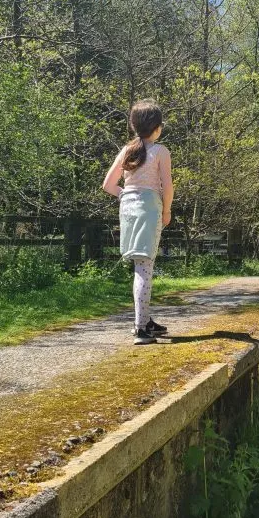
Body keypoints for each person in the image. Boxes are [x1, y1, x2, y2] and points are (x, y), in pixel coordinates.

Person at [102, 101, 175, 345]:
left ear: (134, 126)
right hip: (149, 208)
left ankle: (145, 320)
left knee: (138, 265)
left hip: (128, 209)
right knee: (145, 267)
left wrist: (125, 194)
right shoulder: (160, 151)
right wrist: (167, 211)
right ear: (157, 127)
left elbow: (108, 185)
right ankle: (141, 328)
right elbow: (167, 185)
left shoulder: (127, 150)